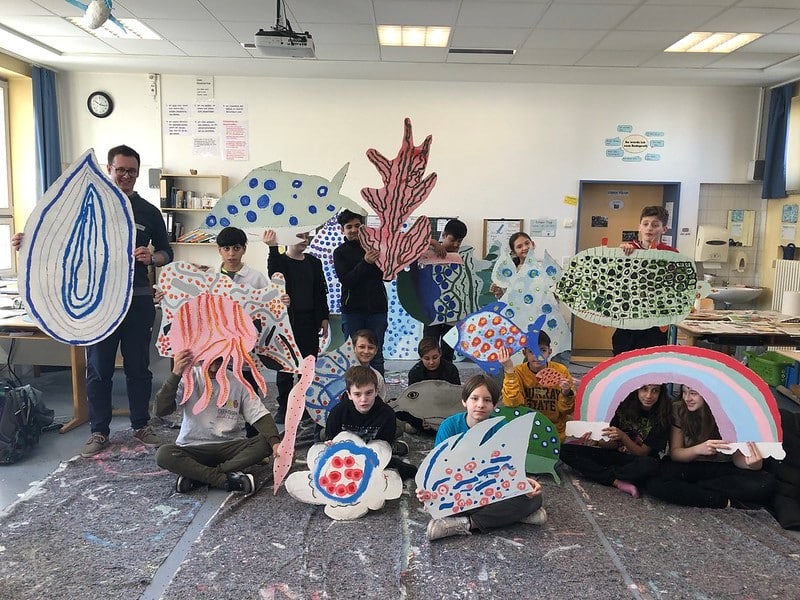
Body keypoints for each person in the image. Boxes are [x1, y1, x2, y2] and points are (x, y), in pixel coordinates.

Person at [17, 145, 174, 457]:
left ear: (137, 173)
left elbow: (167, 253)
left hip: (137, 300)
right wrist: (28, 240)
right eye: (121, 169)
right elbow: (56, 240)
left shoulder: (148, 211)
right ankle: (99, 431)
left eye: (132, 171)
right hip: (96, 303)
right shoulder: (82, 204)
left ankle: (141, 425)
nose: (126, 175)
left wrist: (151, 257)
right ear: (109, 169)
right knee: (99, 369)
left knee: (138, 367)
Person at [419, 374, 547, 541]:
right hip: (459, 490)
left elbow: (509, 468)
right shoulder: (449, 426)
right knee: (438, 503)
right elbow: (438, 470)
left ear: (494, 405)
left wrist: (523, 482)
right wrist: (426, 491)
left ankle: (465, 524)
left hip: (491, 489)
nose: (480, 405)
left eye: (487, 400)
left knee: (534, 498)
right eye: (474, 398)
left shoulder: (500, 428)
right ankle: (512, 516)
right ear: (464, 401)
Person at [154, 349, 280, 495]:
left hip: (229, 446)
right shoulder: (189, 378)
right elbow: (160, 410)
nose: (214, 369)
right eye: (209, 362)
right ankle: (223, 477)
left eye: (219, 362)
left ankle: (199, 476)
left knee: (267, 442)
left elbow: (259, 414)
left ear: (228, 359)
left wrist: (275, 442)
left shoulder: (237, 381)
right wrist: (175, 374)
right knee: (163, 454)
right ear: (200, 358)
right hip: (192, 447)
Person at [646, 386, 776, 509]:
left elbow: (737, 458)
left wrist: (752, 464)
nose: (687, 398)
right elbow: (676, 454)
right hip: (688, 465)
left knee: (766, 482)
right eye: (684, 392)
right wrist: (699, 449)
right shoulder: (678, 408)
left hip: (721, 468)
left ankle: (690, 490)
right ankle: (724, 501)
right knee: (656, 482)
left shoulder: (729, 412)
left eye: (693, 393)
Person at [263, 229, 330, 424]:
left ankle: (304, 404)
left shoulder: (314, 262)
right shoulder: (281, 261)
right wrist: (273, 247)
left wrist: (323, 317)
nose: (304, 240)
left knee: (307, 365)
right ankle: (284, 405)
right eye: (300, 236)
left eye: (306, 236)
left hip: (309, 321)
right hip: (287, 322)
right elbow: (274, 274)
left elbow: (320, 292)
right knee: (285, 367)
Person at [560, 384, 671, 498]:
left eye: (655, 391)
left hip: (637, 462)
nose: (648, 395)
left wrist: (623, 437)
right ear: (636, 389)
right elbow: (613, 443)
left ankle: (603, 473)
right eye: (644, 389)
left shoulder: (662, 416)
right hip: (615, 456)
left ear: (661, 393)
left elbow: (642, 453)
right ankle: (616, 481)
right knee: (564, 450)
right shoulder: (624, 405)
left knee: (651, 465)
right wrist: (597, 442)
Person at [325, 365, 417, 480]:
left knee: (406, 471)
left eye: (369, 393)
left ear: (376, 391)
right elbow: (332, 445)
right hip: (345, 455)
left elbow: (383, 446)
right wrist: (330, 444)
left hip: (373, 453)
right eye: (357, 394)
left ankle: (394, 445)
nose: (363, 399)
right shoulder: (337, 412)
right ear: (349, 395)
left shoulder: (387, 414)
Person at [612, 206, 678, 355]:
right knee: (623, 356)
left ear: (664, 229)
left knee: (652, 359)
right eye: (646, 224)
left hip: (656, 319)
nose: (649, 228)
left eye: (655, 225)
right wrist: (621, 254)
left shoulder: (671, 254)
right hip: (628, 317)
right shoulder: (628, 250)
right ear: (639, 227)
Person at [333, 209, 388, 374]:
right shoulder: (340, 252)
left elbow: (387, 276)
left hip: (377, 310)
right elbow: (347, 280)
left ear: (363, 227)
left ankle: (378, 389)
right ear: (342, 230)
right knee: (352, 354)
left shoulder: (376, 248)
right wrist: (365, 262)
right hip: (353, 312)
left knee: (376, 354)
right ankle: (353, 389)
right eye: (349, 227)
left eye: (357, 225)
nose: (354, 230)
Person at [500, 331, 575, 441]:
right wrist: (509, 371)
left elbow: (567, 411)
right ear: (525, 353)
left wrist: (566, 393)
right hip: (526, 431)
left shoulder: (560, 371)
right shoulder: (517, 372)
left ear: (549, 352)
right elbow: (512, 404)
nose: (538, 356)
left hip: (555, 432)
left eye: (542, 350)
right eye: (532, 351)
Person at [423, 218, 468, 361]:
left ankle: (447, 374)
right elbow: (412, 243)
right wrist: (435, 243)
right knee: (429, 348)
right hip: (432, 312)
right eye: (452, 240)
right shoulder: (430, 251)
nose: (456, 244)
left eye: (459, 241)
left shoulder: (461, 257)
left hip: (452, 314)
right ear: (444, 235)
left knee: (448, 351)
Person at [398, 337, 462, 434]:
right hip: (423, 410)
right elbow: (413, 401)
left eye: (435, 357)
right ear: (421, 357)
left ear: (440, 354)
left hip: (445, 407)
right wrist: (423, 419)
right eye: (427, 358)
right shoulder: (415, 372)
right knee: (399, 408)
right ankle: (419, 427)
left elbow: (457, 397)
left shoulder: (450, 369)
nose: (431, 362)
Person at [490, 231, 534, 299]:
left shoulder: (543, 268)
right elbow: (508, 297)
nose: (525, 248)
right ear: (514, 252)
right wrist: (500, 291)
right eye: (519, 247)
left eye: (527, 243)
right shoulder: (510, 271)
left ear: (533, 244)